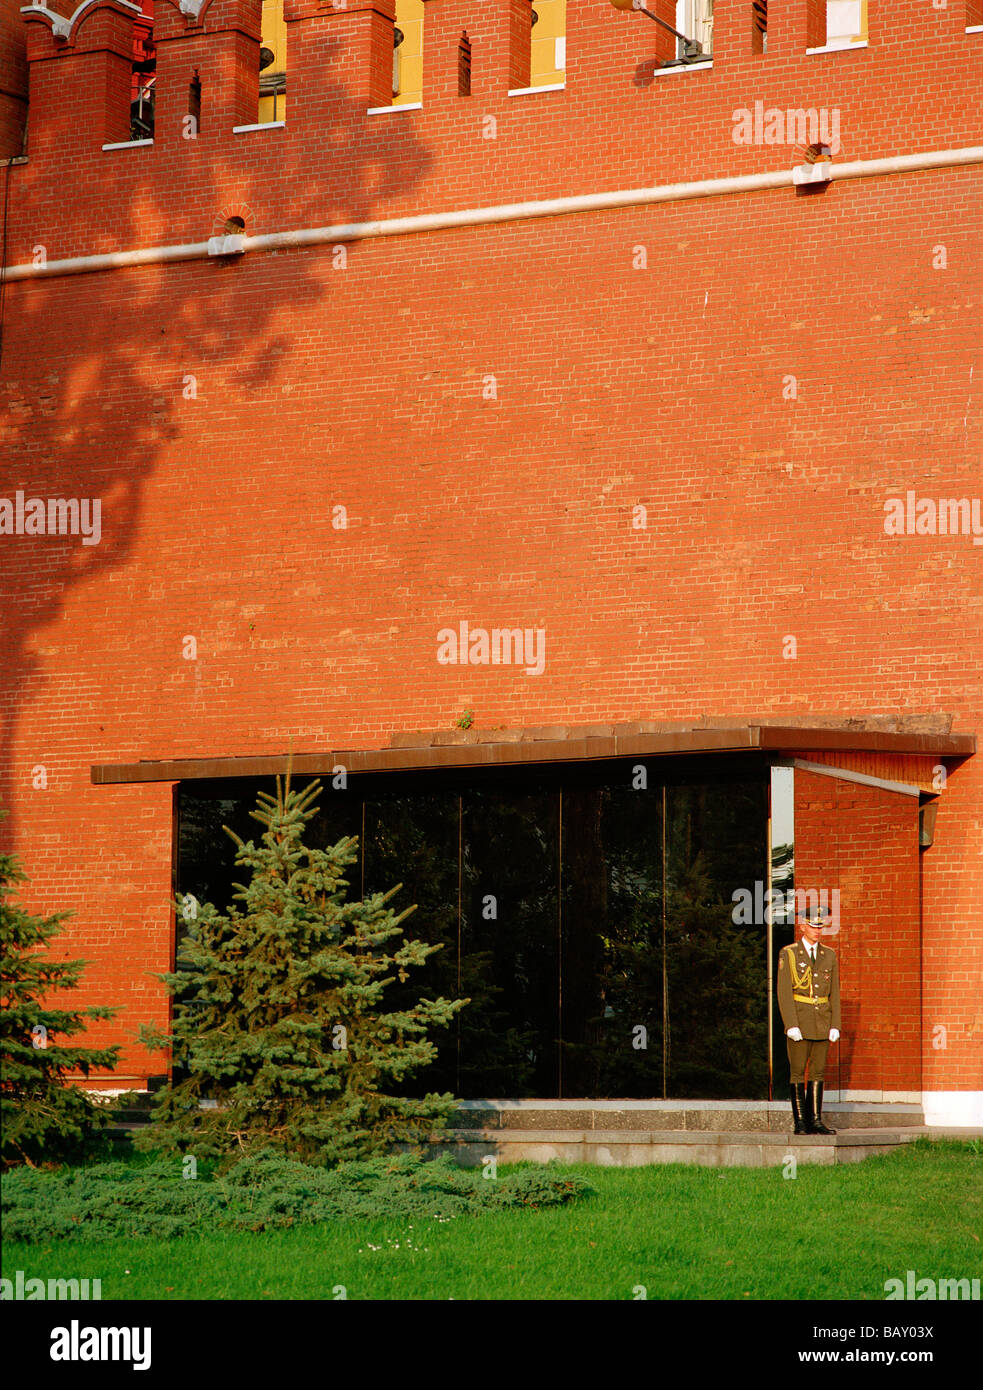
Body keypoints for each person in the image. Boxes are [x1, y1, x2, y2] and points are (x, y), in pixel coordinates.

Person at [777, 905, 841, 1135]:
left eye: (820, 926)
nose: (817, 930)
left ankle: (815, 1120)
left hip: (822, 1019)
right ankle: (800, 1122)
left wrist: (836, 1024)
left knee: (818, 1071)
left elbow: (835, 991)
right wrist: (790, 1023)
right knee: (797, 1071)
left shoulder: (829, 954)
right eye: (813, 926)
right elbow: (784, 992)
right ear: (802, 927)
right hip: (800, 1019)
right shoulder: (789, 953)